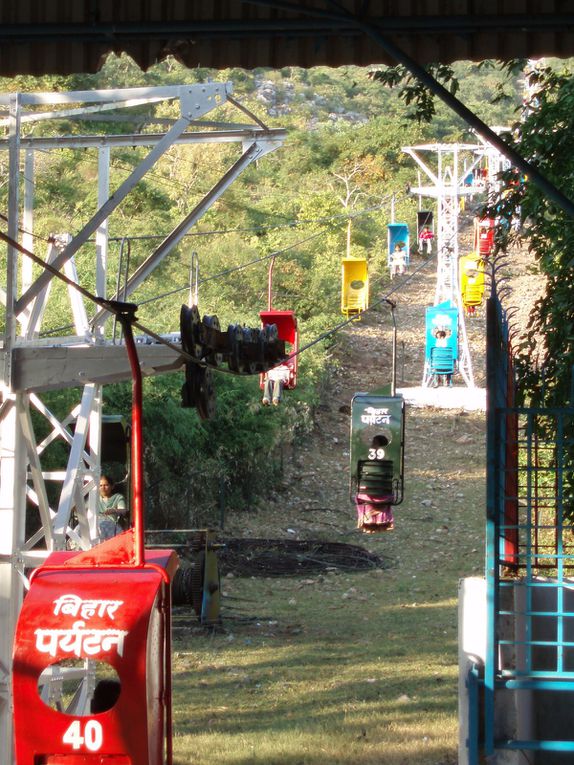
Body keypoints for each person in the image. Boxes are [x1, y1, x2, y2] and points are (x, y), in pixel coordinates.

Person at [98, 473, 128, 540]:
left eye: (106, 485)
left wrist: (114, 510)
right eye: (101, 485)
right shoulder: (94, 499)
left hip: (111, 524)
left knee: (101, 527)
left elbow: (123, 510)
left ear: (112, 486)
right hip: (95, 524)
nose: (103, 488)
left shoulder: (118, 497)